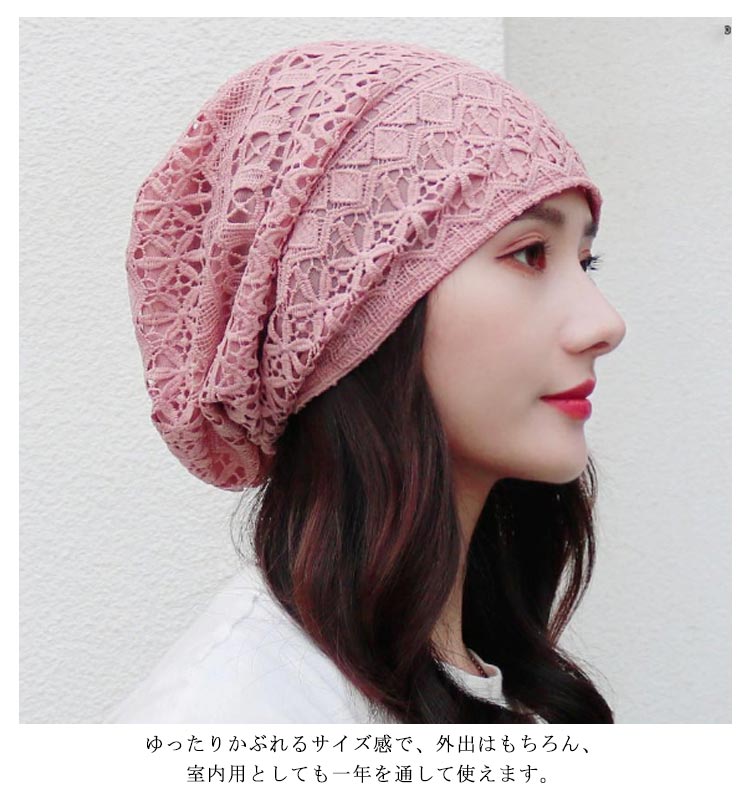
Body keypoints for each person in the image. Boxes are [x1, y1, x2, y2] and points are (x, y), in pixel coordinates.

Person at [110, 39, 626, 724]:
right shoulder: (230, 719)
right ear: (341, 314)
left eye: (585, 262)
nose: (605, 324)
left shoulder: (489, 675)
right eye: (529, 252)